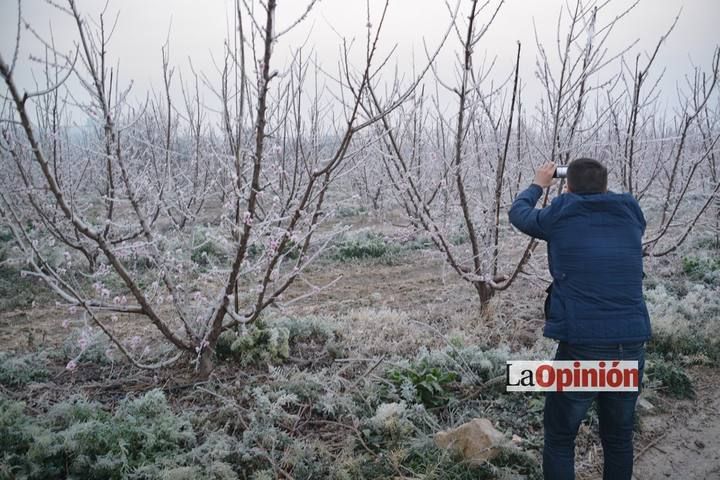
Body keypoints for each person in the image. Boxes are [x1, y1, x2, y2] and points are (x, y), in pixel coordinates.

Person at [508, 158, 651, 480]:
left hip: (583, 347)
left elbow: (519, 213)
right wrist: (592, 186)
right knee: (618, 437)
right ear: (605, 185)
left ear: (567, 186)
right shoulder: (631, 213)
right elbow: (603, 204)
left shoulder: (561, 213)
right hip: (630, 345)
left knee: (560, 436)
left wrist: (538, 184)